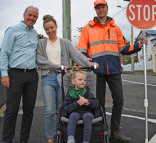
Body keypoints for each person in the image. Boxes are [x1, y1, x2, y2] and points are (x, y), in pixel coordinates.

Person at [77, 0, 148, 143]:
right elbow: (82, 51)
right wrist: (90, 63)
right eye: (98, 7)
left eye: (103, 6)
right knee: (99, 103)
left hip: (114, 70)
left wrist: (138, 45)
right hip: (97, 72)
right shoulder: (88, 28)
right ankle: (102, 131)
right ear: (95, 10)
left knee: (119, 101)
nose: (101, 9)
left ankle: (115, 132)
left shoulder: (115, 27)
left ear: (107, 8)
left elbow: (123, 48)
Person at [36, 15, 99, 143]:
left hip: (62, 77)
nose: (50, 31)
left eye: (52, 27)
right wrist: (57, 66)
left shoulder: (64, 42)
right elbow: (40, 61)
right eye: (47, 29)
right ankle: (50, 137)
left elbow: (77, 55)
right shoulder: (41, 44)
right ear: (45, 30)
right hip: (48, 76)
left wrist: (90, 64)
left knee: (61, 108)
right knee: (49, 109)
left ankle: (61, 133)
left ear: (56, 27)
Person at [0, 6, 39, 143]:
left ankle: (24, 140)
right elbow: (4, 53)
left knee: (29, 111)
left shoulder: (35, 34)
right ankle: (7, 140)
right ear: (24, 15)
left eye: (35, 16)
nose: (32, 18)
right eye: (30, 15)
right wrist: (4, 73)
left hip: (32, 76)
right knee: (11, 110)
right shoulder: (12, 30)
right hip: (15, 75)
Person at [63, 70, 99, 143]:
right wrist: (77, 103)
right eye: (80, 79)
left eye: (84, 80)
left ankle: (86, 141)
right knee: (73, 116)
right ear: (73, 81)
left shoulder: (87, 92)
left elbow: (96, 104)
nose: (83, 81)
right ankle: (70, 138)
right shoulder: (69, 93)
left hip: (87, 112)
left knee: (87, 117)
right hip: (75, 112)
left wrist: (88, 102)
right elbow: (66, 108)